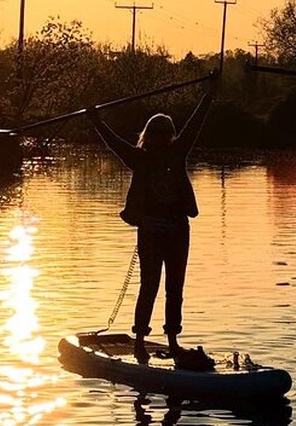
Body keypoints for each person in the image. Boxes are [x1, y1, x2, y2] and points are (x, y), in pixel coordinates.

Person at [86, 74, 219, 363]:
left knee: (175, 286)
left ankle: (173, 342)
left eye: (164, 134)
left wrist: (209, 93)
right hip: (150, 232)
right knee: (149, 286)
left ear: (169, 136)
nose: (159, 139)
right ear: (149, 136)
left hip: (177, 232)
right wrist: (96, 121)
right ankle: (140, 342)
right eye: (155, 134)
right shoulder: (139, 159)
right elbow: (114, 143)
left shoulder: (177, 153)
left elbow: (196, 124)